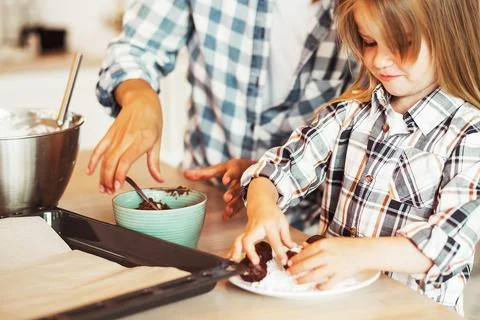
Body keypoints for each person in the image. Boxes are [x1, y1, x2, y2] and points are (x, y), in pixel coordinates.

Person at [229, 0, 480, 314]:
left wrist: (354, 254)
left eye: (401, 44)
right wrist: (263, 208)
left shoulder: (470, 134)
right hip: (337, 306)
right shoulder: (348, 114)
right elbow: (277, 169)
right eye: (370, 42)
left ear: (450, 36)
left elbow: (445, 245)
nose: (380, 60)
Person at [87, 0, 356, 223]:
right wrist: (139, 97)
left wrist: (268, 175)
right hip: (206, 205)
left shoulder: (363, 11)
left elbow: (373, 124)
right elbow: (136, 48)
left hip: (309, 223)